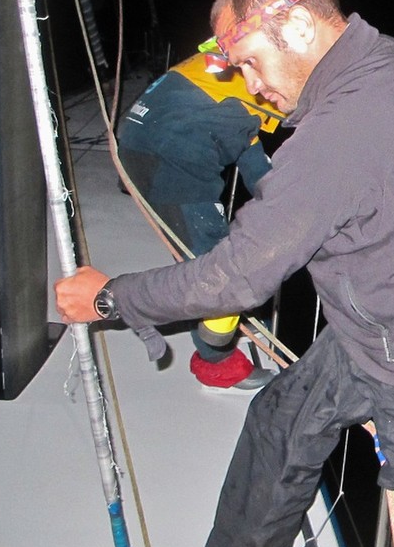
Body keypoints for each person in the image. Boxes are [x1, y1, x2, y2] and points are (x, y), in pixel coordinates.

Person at [56, 0, 394, 547]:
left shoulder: (346, 124)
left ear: (300, 28)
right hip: (374, 336)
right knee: (277, 424)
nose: (249, 85)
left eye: (249, 61)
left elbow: (237, 275)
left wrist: (110, 295)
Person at [117, 44, 282, 391]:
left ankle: (244, 314)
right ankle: (215, 362)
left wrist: (278, 199)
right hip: (170, 159)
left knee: (209, 248)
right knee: (215, 266)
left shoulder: (241, 68)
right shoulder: (280, 76)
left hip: (140, 137)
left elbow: (251, 154)